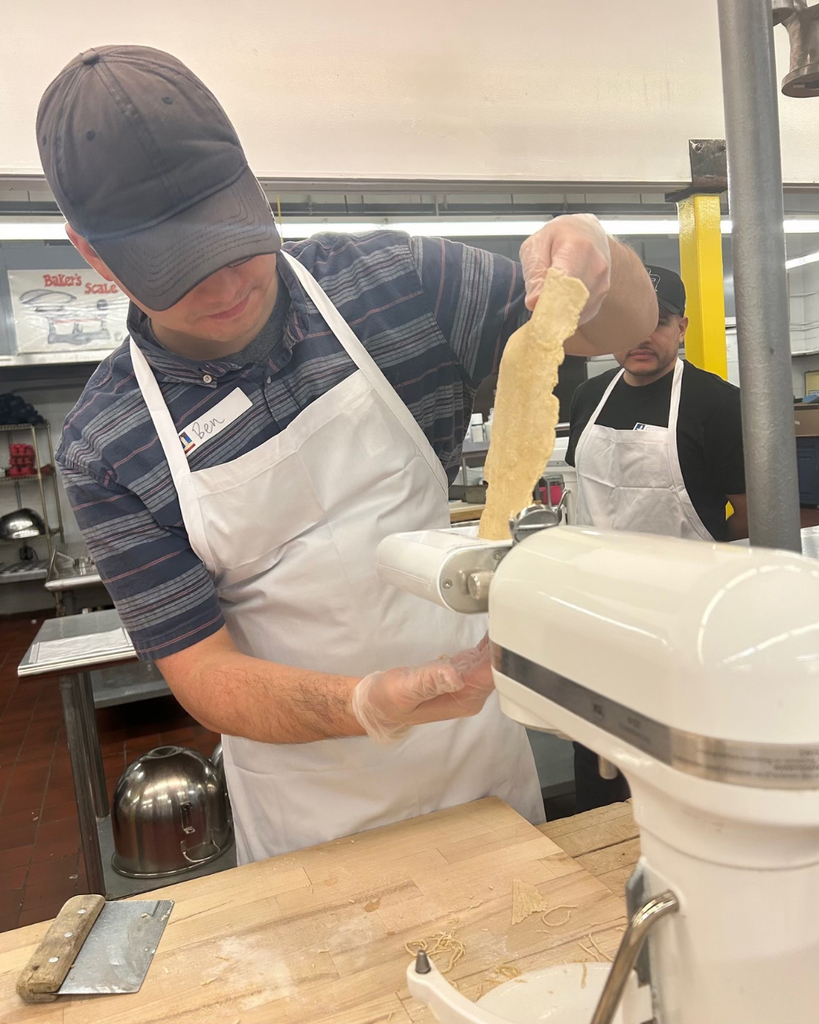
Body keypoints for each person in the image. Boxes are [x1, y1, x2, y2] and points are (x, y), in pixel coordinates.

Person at [38, 45, 657, 862]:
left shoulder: (391, 283)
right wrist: (373, 701)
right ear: (91, 252)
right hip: (306, 815)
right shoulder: (105, 443)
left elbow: (618, 330)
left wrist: (596, 259)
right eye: (175, 270)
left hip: (476, 770)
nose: (223, 287)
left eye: (233, 240)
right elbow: (202, 670)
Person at [566, 264, 747, 810]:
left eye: (660, 322)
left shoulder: (718, 404)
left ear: (682, 326)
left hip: (686, 629)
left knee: (683, 780)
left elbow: (749, 519)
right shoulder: (588, 398)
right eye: (630, 323)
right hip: (599, 620)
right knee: (598, 766)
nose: (643, 338)